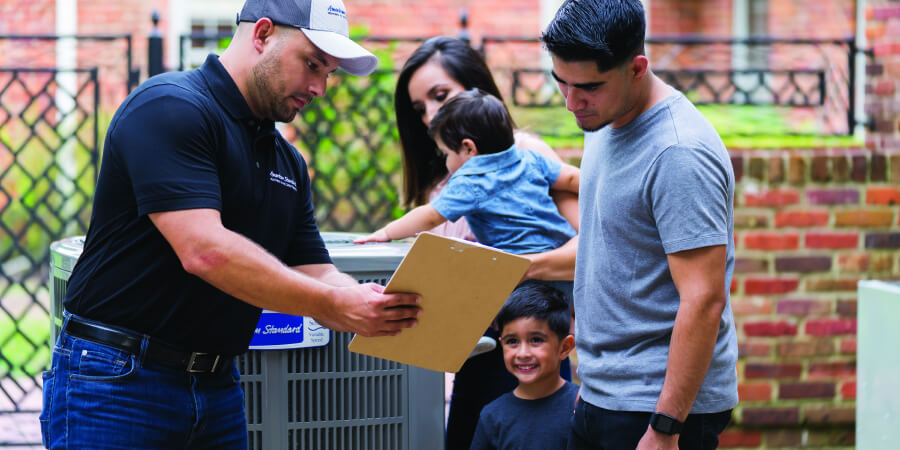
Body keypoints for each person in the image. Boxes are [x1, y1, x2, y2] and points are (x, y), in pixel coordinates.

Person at [39, 1, 421, 448]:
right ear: (261, 34)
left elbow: (313, 267)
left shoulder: (287, 162)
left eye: (329, 73)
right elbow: (204, 251)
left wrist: (368, 301)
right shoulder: (170, 107)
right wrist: (333, 305)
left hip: (218, 387)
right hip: (118, 381)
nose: (319, 87)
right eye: (312, 64)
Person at [541, 1, 739, 449]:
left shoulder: (678, 153)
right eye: (562, 83)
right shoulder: (603, 119)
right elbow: (610, 248)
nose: (572, 102)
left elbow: (704, 298)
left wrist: (665, 427)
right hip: (605, 396)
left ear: (637, 68)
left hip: (656, 411)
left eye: (588, 86)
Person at [394, 36, 579, 450]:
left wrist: (513, 268)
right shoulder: (446, 179)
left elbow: (590, 247)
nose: (430, 116)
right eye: (419, 108)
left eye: (440, 96)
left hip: (522, 346)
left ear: (477, 88)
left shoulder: (524, 156)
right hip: (468, 352)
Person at [355, 89, 579, 269]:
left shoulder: (472, 182)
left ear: (468, 148)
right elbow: (570, 178)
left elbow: (431, 216)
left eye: (446, 154)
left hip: (521, 271)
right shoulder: (530, 159)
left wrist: (386, 232)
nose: (446, 162)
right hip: (562, 260)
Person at [470, 281, 579, 450]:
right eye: (512, 341)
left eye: (536, 340)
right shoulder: (492, 416)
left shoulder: (582, 407)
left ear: (564, 347)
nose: (523, 353)